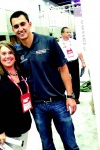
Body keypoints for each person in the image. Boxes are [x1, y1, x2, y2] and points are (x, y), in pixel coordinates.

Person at [10, 11, 79, 150]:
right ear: (13, 29)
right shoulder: (16, 51)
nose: (20, 28)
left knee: (70, 144)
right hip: (37, 106)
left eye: (23, 24)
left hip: (58, 102)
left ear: (29, 24)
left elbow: (64, 69)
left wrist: (70, 96)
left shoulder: (49, 42)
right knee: (47, 145)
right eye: (16, 26)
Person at [0, 41, 32, 150]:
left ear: (15, 55)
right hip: (8, 131)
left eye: (10, 53)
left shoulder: (21, 73)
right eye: (4, 53)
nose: (7, 56)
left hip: (24, 125)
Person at [58, 27, 86, 104]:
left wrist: (83, 62)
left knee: (76, 80)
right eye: (67, 32)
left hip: (74, 62)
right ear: (62, 34)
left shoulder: (74, 42)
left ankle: (76, 97)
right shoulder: (59, 44)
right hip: (65, 63)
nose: (69, 34)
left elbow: (79, 52)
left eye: (69, 32)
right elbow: (57, 56)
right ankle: (63, 96)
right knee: (63, 80)